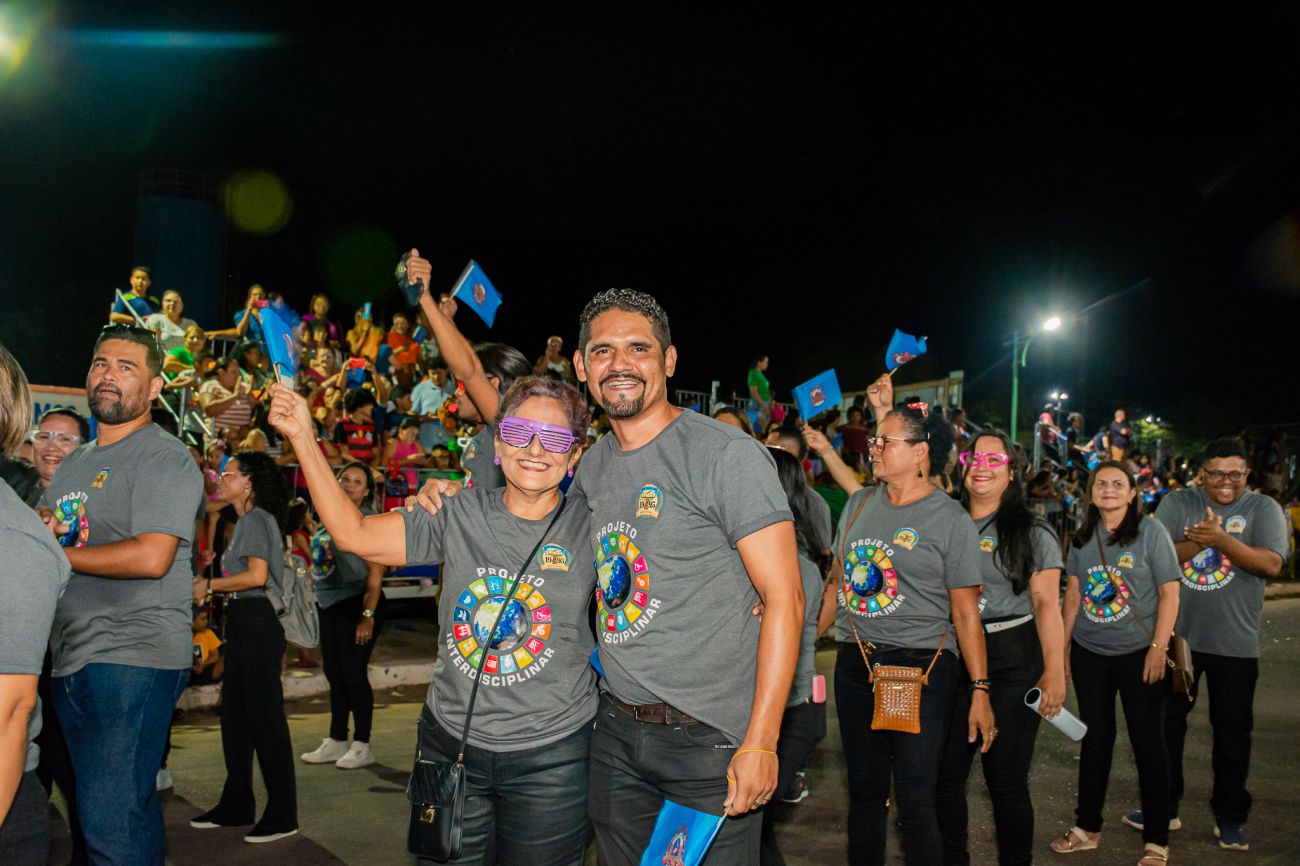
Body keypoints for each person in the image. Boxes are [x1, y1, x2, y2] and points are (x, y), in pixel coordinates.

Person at [270, 374, 599, 866]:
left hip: (553, 757)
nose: (534, 449)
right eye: (518, 432)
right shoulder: (455, 511)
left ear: (574, 455)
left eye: (554, 438)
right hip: (451, 746)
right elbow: (353, 533)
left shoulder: (593, 524)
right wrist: (302, 435)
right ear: (497, 445)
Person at [570, 289, 803, 865]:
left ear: (669, 361)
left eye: (638, 348)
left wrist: (762, 741)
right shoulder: (593, 465)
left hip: (711, 741)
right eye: (602, 351)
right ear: (580, 366)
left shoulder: (724, 454)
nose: (619, 364)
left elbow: (785, 597)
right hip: (616, 733)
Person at [41, 324, 203, 864]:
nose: (108, 375)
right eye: (100, 364)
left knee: (111, 824)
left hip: (132, 654)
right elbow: (65, 537)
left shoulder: (163, 456)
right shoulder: (75, 462)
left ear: (154, 387)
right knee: (109, 817)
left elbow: (152, 557)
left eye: (126, 367)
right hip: (73, 655)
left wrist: (52, 553)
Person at [818, 401, 993, 866]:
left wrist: (979, 689)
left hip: (920, 667)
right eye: (874, 440)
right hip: (856, 663)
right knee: (865, 794)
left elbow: (965, 613)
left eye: (885, 441)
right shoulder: (857, 505)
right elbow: (836, 585)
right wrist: (801, 638)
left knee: (916, 800)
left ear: (920, 451)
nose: (873, 448)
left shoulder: (950, 519)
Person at [1135, 437, 1288, 851]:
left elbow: (1272, 564)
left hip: (1235, 644)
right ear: (1202, 473)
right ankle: (1163, 808)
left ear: (1246, 474)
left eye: (1235, 474)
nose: (1225, 481)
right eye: (1216, 473)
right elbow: (1157, 557)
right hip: (1178, 640)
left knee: (1232, 734)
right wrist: (1201, 541)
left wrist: (1221, 540)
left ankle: (1230, 817)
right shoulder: (1177, 503)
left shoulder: (1262, 509)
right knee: (1165, 728)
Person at [935, 429, 1066, 866]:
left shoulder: (1031, 530)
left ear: (1013, 473)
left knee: (1005, 779)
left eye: (996, 459)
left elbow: (1046, 604)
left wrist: (1054, 670)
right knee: (944, 778)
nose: (983, 466)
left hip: (1012, 658)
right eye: (975, 458)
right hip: (952, 656)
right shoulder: (944, 519)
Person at [1052, 461, 1180, 866]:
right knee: (1095, 741)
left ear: (1132, 493)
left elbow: (1170, 593)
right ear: (1091, 493)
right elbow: (1073, 597)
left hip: (1139, 655)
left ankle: (1156, 840)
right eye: (1101, 483)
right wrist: (1062, 649)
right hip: (1090, 653)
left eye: (1118, 484)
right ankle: (1087, 828)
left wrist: (1158, 648)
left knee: (1148, 744)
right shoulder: (1082, 538)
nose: (1109, 489)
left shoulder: (1151, 533)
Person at [189, 450, 298, 843]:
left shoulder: (255, 519)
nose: (221, 478)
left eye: (229, 473)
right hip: (245, 619)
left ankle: (283, 814)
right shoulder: (247, 519)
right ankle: (237, 804)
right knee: (235, 715)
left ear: (249, 482)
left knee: (263, 717)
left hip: (257, 621)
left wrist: (209, 585)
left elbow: (257, 576)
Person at [0, 343, 71, 863]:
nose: (51, 446)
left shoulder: (15, 535)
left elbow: (10, 713)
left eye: (64, 438)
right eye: (46, 436)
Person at [403, 248, 531, 490]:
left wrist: (425, 298)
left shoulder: (509, 426)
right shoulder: (486, 434)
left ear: (493, 385)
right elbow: (464, 367)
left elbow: (468, 369)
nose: (456, 392)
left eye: (462, 386)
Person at [759, 448, 829, 866]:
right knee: (755, 830)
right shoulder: (783, 557)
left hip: (789, 712)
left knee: (754, 830)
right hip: (787, 708)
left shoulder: (791, 566)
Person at [300, 462, 387, 770]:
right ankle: (337, 739)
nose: (349, 484)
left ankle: (362, 744)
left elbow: (376, 573)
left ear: (366, 492)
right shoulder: (328, 517)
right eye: (344, 479)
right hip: (329, 604)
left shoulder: (367, 520)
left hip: (357, 603)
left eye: (357, 481)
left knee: (353, 673)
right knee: (334, 673)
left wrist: (367, 615)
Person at [31, 408, 90, 488]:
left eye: (65, 439)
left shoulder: (95, 493)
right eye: (44, 437)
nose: (51, 447)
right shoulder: (18, 486)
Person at [199, 355, 256, 434]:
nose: (238, 376)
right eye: (234, 372)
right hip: (218, 437)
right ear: (221, 373)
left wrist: (249, 395)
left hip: (241, 436)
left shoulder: (244, 387)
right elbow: (209, 410)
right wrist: (235, 396)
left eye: (238, 372)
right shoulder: (210, 386)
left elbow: (254, 410)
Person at [411, 357, 455, 449]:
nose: (436, 377)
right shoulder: (420, 389)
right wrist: (424, 418)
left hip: (449, 442)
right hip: (427, 443)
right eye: (433, 373)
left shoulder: (454, 389)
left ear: (446, 371)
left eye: (439, 373)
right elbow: (411, 414)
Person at [749, 354, 776, 429]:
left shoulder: (760, 374)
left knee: (764, 428)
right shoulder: (753, 373)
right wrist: (764, 408)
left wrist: (770, 401)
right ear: (759, 362)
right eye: (765, 362)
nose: (767, 364)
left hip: (764, 404)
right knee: (759, 429)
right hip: (759, 405)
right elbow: (754, 393)